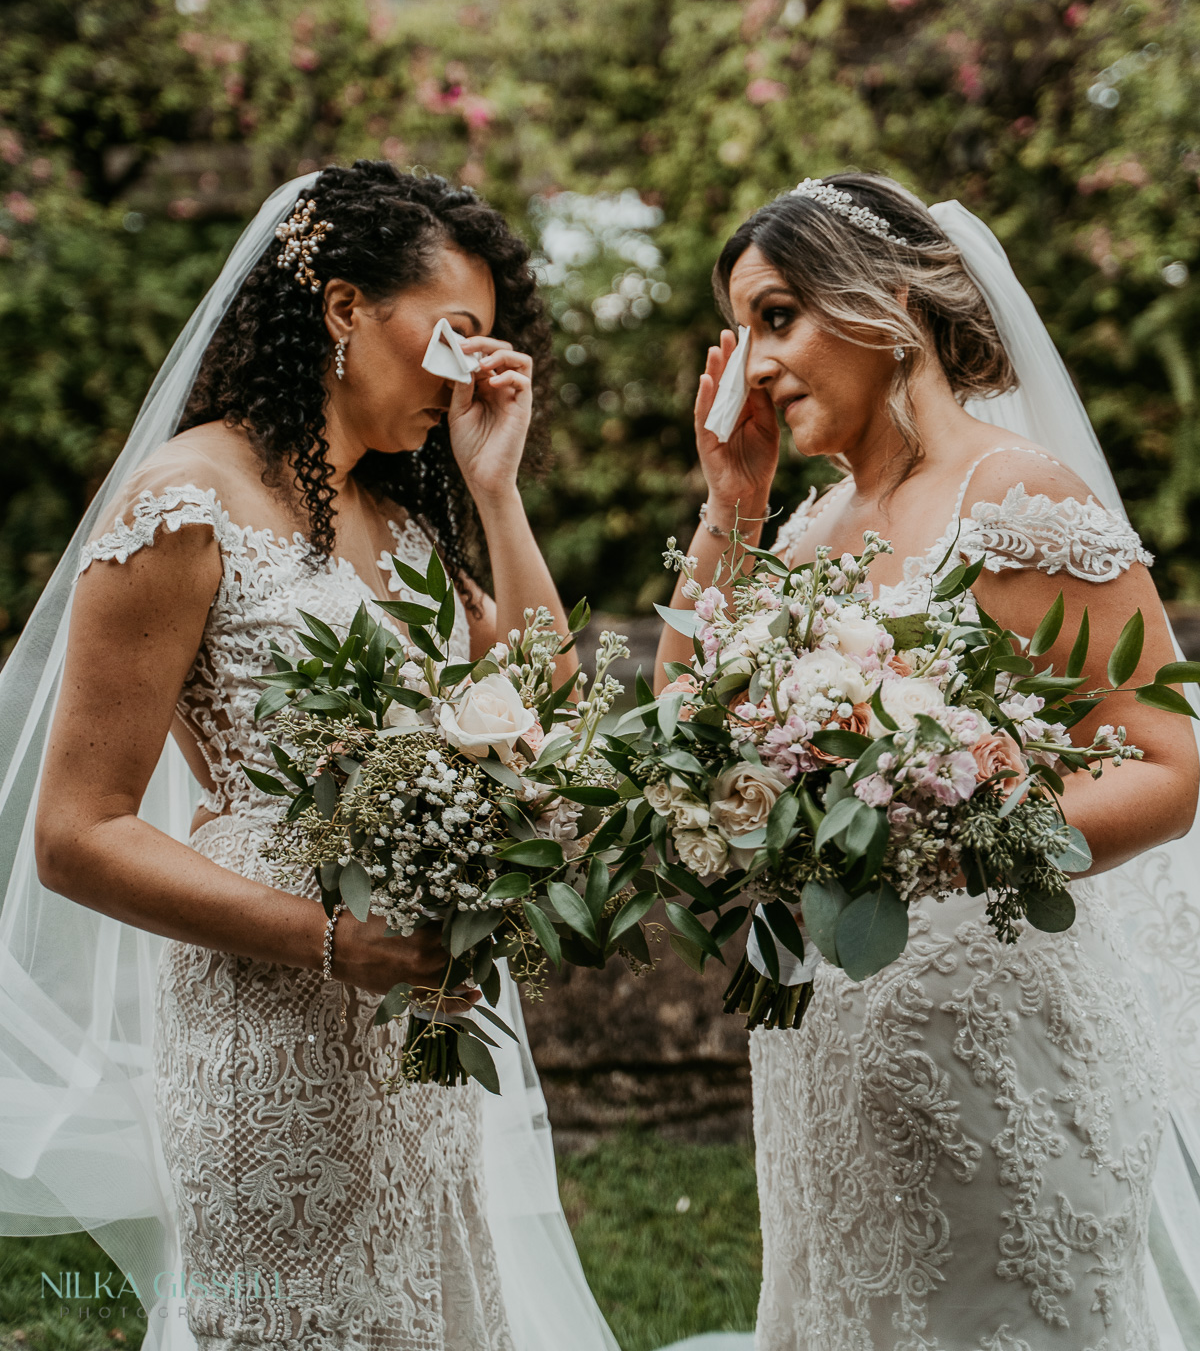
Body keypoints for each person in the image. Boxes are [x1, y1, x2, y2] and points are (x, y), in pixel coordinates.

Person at [0, 162, 619, 1351]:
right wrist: (339, 944)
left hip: (411, 1024)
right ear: (343, 308)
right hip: (268, 1020)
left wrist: (498, 494)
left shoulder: (404, 522)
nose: (475, 370)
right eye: (456, 334)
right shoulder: (184, 503)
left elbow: (545, 706)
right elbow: (78, 834)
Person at [656, 173, 1200, 1351]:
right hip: (823, 1044)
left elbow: (1166, 766)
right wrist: (732, 501)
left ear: (887, 299)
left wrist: (962, 829)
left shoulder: (1015, 496)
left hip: (998, 1040)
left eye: (779, 316)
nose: (752, 365)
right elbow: (682, 733)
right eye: (741, 331)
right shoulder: (798, 530)